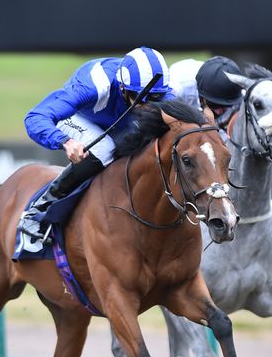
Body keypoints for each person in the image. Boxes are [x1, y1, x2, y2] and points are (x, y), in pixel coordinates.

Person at [18, 46, 175, 241]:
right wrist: (65, 141)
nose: (148, 107)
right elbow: (35, 117)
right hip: (79, 118)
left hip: (118, 121)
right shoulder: (93, 85)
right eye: (141, 99)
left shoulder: (161, 91)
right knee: (105, 148)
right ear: (122, 87)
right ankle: (40, 210)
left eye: (156, 99)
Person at [169, 56, 243, 142]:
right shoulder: (178, 87)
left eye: (225, 107)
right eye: (215, 105)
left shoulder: (241, 94)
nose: (220, 112)